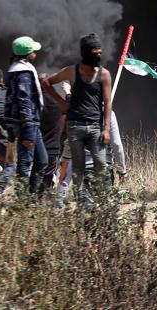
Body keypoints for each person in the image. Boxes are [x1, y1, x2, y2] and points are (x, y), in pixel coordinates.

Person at [44, 33, 113, 202]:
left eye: (100, 52)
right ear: (85, 53)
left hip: (95, 127)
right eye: (94, 52)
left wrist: (106, 128)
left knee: (101, 165)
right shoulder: (71, 71)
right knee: (78, 167)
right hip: (75, 126)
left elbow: (107, 101)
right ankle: (83, 204)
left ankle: (103, 203)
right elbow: (46, 82)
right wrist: (61, 102)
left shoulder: (104, 75)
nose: (98, 55)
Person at [0, 36, 48, 195]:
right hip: (28, 123)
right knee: (26, 163)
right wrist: (26, 130)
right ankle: (21, 202)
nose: (35, 52)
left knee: (42, 160)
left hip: (30, 122)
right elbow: (24, 100)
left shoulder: (14, 69)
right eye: (33, 50)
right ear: (27, 53)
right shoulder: (24, 72)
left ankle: (31, 197)